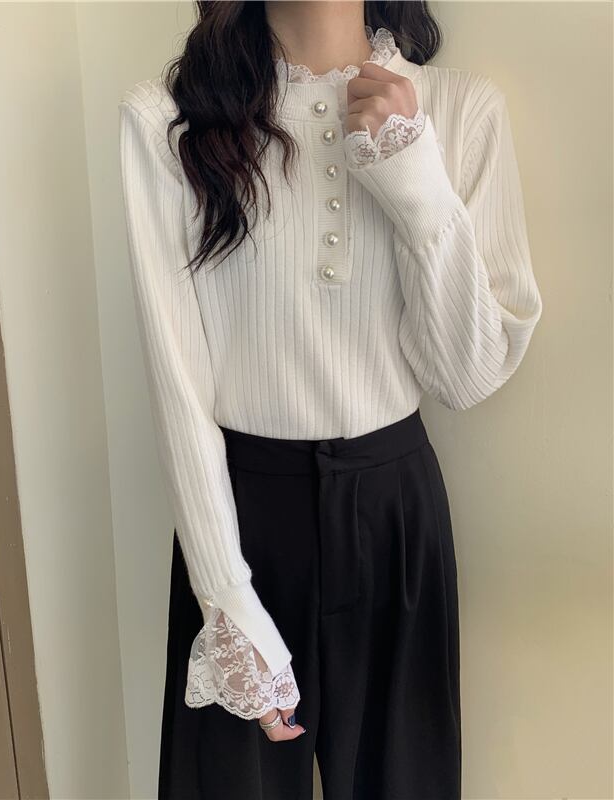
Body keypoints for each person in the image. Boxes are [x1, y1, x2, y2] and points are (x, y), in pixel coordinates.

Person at [118, 1, 543, 798]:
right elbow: (175, 381)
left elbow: (467, 375)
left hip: (395, 514)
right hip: (237, 519)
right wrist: (225, 596)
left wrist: (413, 175)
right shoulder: (169, 120)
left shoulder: (460, 109)